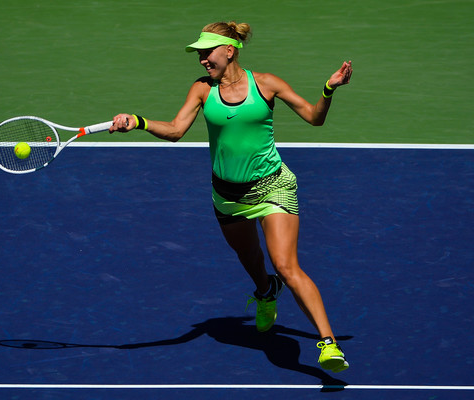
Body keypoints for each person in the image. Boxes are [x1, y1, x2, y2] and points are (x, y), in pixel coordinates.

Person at [110, 21, 352, 373]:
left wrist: (329, 88)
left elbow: (314, 118)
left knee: (286, 265)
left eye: (206, 52)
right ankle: (266, 292)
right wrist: (138, 120)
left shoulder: (266, 83)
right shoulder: (201, 90)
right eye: (199, 55)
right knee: (250, 259)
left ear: (229, 50)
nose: (202, 60)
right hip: (227, 194)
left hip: (273, 187)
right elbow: (176, 131)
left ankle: (327, 344)